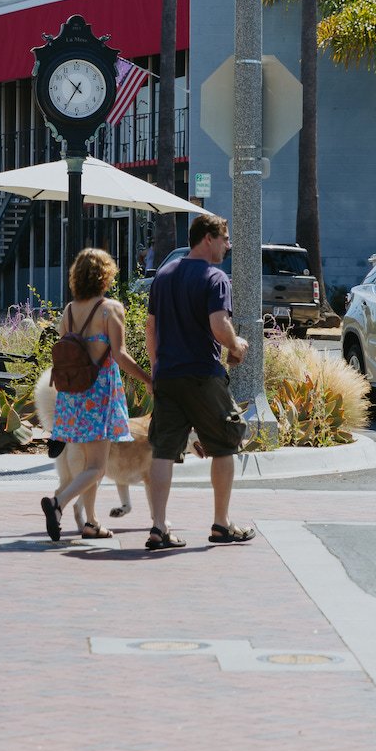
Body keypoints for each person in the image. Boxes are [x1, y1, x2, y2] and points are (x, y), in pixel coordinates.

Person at [144, 212, 254, 552]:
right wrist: (237, 346)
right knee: (225, 444)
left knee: (163, 451)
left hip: (168, 375)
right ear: (208, 238)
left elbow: (151, 328)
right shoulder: (215, 277)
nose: (228, 245)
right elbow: (219, 325)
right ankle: (222, 524)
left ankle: (159, 527)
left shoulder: (163, 275)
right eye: (224, 238)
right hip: (203, 375)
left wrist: (155, 370)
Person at [40, 247, 151, 542]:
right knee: (97, 467)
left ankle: (91, 522)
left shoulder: (67, 311)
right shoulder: (110, 309)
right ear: (105, 275)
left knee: (90, 464)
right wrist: (147, 379)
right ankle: (57, 503)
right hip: (100, 394)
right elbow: (121, 355)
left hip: (72, 396)